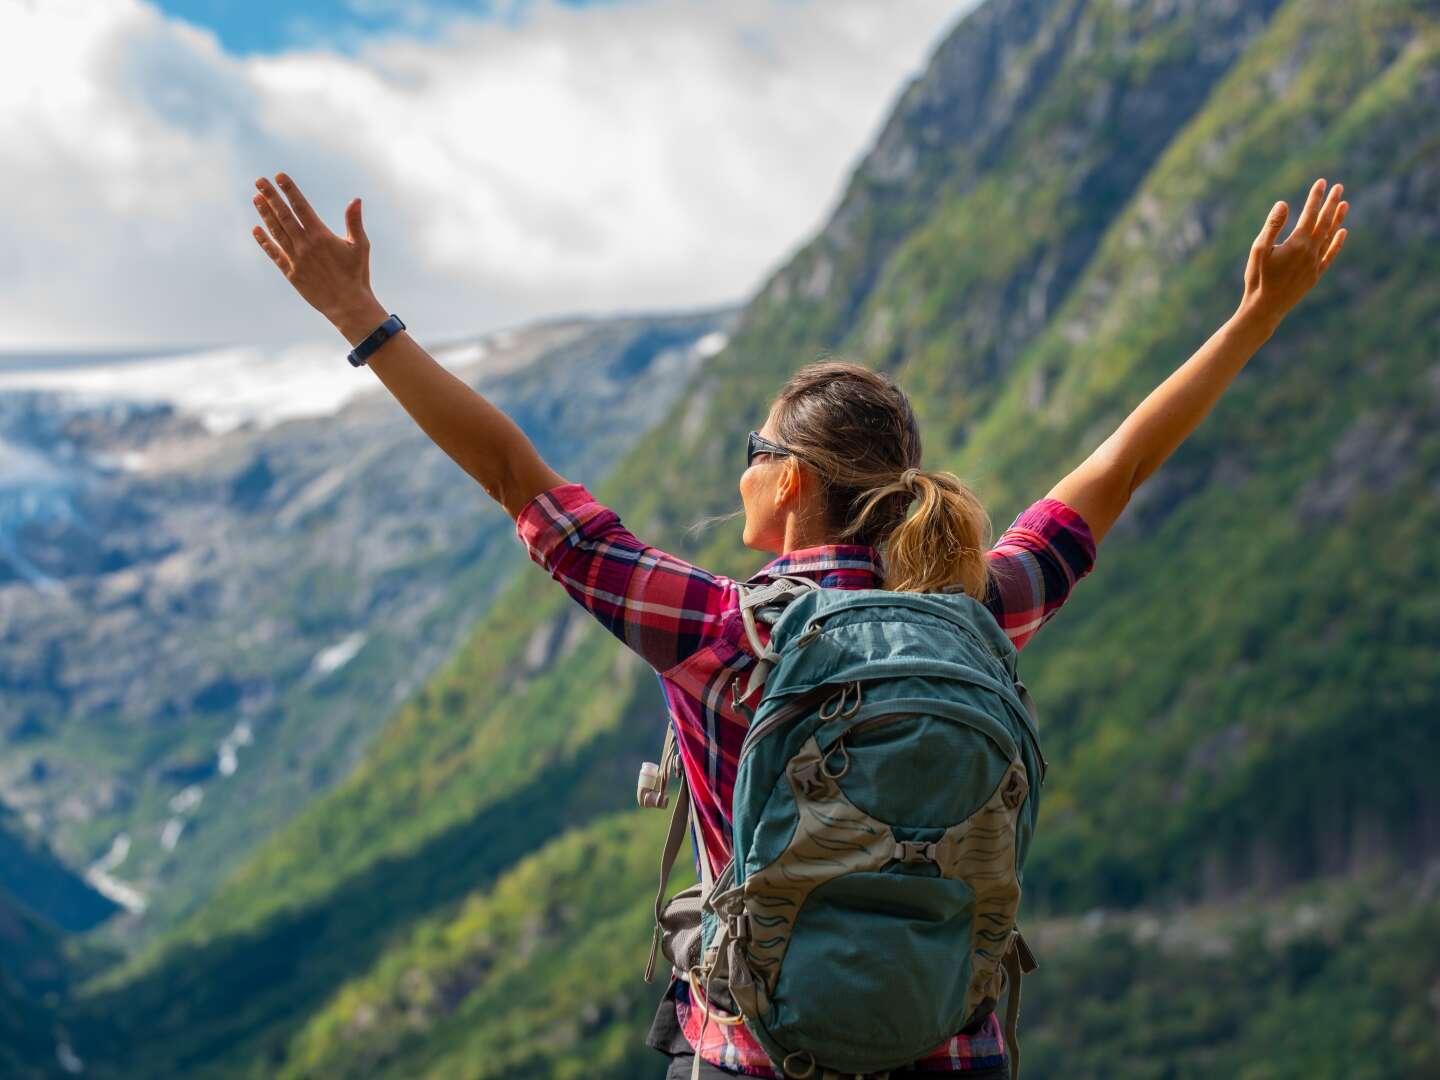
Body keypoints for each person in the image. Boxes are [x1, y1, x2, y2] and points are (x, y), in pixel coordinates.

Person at [250, 172, 1349, 1079]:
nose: (743, 472)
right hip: (951, 1050)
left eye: (752, 450)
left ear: (787, 483)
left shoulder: (721, 630)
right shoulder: (975, 615)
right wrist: (1256, 316)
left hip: (754, 1056)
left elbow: (512, 477)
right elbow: (1120, 470)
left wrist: (361, 320)